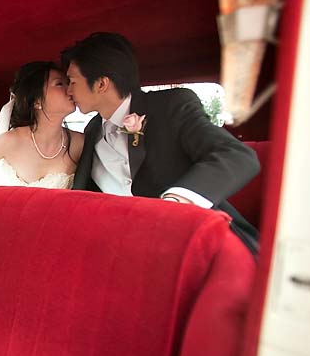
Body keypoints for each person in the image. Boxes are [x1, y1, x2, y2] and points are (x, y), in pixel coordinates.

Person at [62, 32, 260, 248]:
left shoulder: (170, 106)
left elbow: (236, 156)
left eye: (72, 81)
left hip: (201, 241)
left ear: (101, 84)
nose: (68, 91)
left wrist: (176, 203)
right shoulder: (90, 133)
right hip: (128, 248)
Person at [0, 61, 83, 188]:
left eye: (69, 83)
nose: (70, 90)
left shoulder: (80, 143)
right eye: (59, 84)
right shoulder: (10, 140)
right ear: (36, 101)